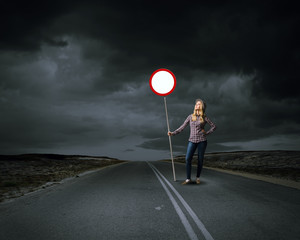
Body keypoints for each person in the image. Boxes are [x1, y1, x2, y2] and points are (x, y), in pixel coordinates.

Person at [168, 99, 216, 185]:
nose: (196, 105)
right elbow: (182, 127)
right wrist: (173, 133)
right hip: (192, 140)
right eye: (196, 104)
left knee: (200, 160)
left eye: (198, 104)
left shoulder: (204, 117)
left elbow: (213, 126)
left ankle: (197, 177)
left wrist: (206, 133)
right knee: (188, 158)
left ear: (201, 107)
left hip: (202, 140)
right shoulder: (190, 117)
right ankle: (188, 179)